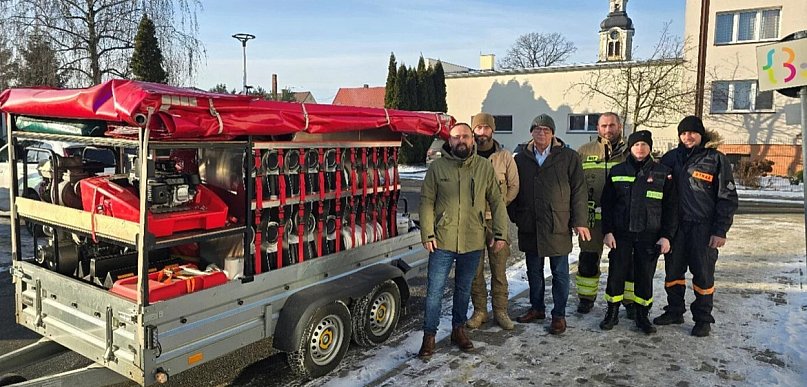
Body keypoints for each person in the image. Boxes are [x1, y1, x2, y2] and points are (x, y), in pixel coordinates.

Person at [418, 122, 509, 359]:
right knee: (435, 292)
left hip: (473, 240)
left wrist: (501, 233)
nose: (461, 141)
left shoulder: (483, 167)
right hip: (442, 240)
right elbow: (427, 201)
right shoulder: (437, 168)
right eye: (456, 137)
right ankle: (429, 336)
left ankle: (458, 330)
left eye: (465, 136)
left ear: (472, 140)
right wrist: (427, 233)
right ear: (449, 141)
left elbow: (497, 202)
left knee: (463, 289)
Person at [654, 116, 738, 337]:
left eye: (692, 132)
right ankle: (674, 311)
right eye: (683, 133)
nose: (687, 137)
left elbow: (727, 198)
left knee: (702, 274)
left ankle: (702, 318)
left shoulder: (715, 159)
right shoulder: (670, 158)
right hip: (676, 227)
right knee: (673, 272)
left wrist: (720, 231)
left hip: (703, 228)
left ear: (701, 134)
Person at [509, 114, 590, 335]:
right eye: (537, 129)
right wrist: (515, 214)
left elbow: (579, 192)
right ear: (531, 132)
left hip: (558, 224)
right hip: (530, 224)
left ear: (553, 133)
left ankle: (559, 315)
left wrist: (579, 221)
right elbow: (511, 188)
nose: (541, 133)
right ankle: (537, 308)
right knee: (533, 271)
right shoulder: (520, 159)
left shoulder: (569, 157)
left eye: (546, 129)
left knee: (560, 273)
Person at [599, 130, 678, 334]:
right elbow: (607, 205)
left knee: (645, 276)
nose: (640, 149)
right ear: (630, 148)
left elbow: (671, 208)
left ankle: (643, 316)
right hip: (621, 234)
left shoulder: (663, 172)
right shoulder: (617, 171)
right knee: (616, 274)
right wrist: (607, 231)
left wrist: (666, 236)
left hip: (649, 235)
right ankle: (612, 312)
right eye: (636, 145)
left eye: (644, 145)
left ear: (650, 148)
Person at [466, 113, 520, 331]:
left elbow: (514, 185)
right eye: (478, 128)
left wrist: (500, 205)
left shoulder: (505, 157)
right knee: (474, 271)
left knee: (499, 270)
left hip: (497, 222)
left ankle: (501, 311)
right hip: (472, 222)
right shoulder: (467, 155)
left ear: (492, 131)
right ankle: (480, 311)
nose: (482, 132)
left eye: (486, 128)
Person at [575, 113, 632, 317]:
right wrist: (577, 217)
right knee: (588, 260)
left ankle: (628, 300)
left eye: (612, 125)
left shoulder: (631, 152)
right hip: (591, 220)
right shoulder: (583, 152)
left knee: (625, 260)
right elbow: (575, 187)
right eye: (604, 126)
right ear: (597, 128)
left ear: (620, 127)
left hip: (621, 219)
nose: (608, 130)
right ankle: (586, 298)